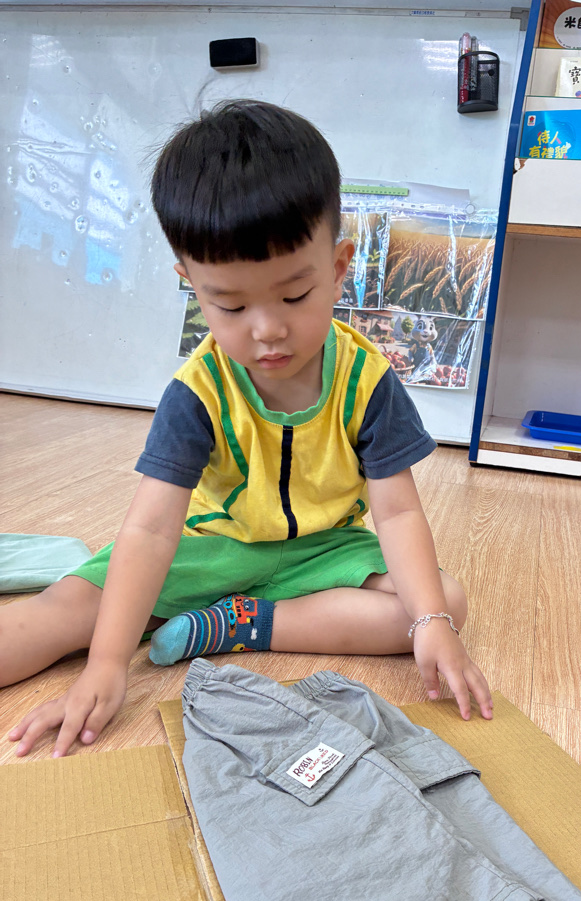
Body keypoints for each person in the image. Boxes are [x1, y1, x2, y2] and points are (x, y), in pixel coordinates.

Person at [3, 100, 492, 759]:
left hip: (325, 550)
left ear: (339, 267)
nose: (267, 330)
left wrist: (431, 622)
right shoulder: (198, 392)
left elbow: (398, 512)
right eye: (230, 305)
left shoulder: (368, 381)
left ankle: (238, 624)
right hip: (210, 548)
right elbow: (151, 531)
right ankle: (197, 611)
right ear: (191, 285)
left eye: (294, 295)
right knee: (57, 615)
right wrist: (108, 662)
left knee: (445, 603)